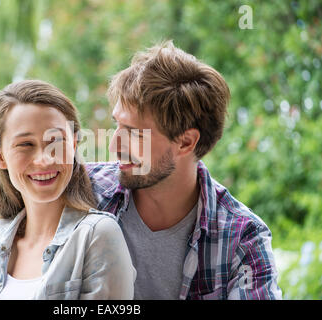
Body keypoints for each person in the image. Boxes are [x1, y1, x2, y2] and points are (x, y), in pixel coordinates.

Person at [86, 41, 282, 300]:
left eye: (133, 133)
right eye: (117, 126)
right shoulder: (85, 192)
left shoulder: (242, 239)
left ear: (186, 142)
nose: (114, 145)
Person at [0, 80, 135, 300]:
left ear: (74, 145)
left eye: (56, 141)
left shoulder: (97, 235)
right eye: (26, 145)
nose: (44, 159)